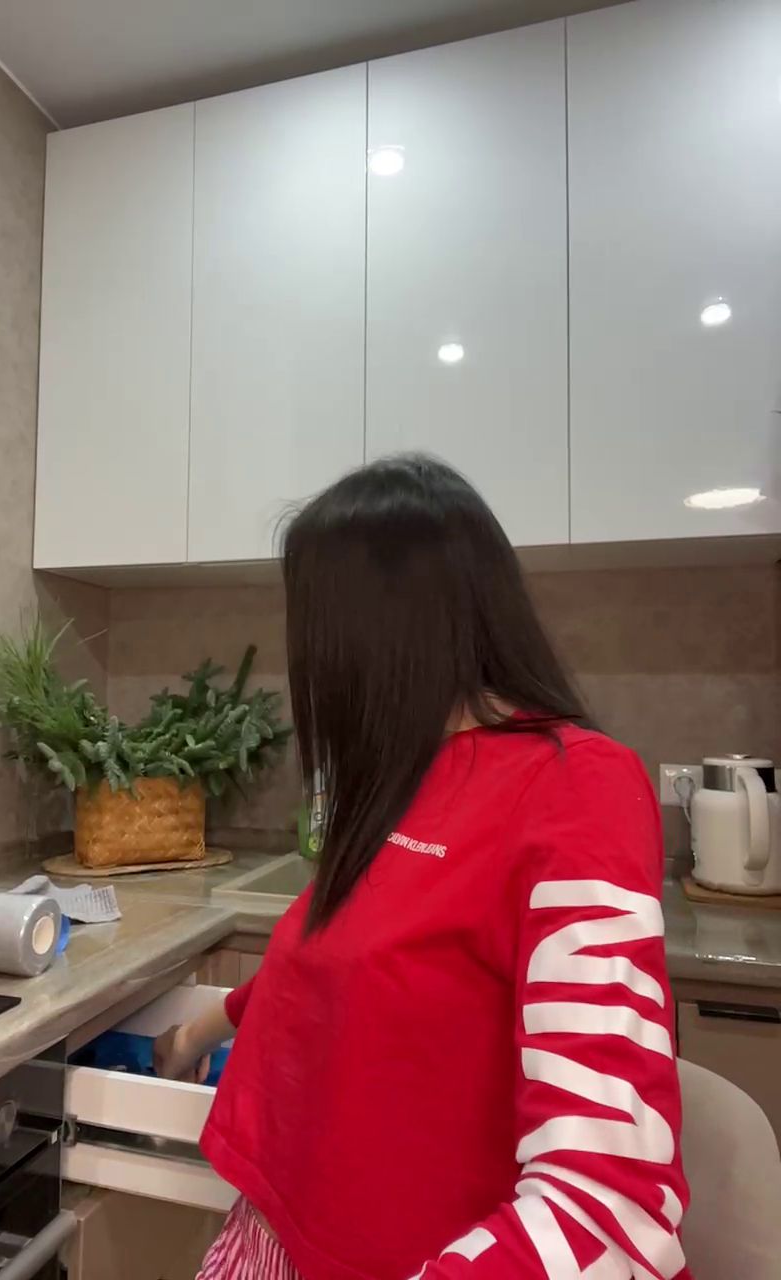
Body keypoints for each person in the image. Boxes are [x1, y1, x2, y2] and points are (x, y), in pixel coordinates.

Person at [156, 455, 691, 1280]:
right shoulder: (405, 775)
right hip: (278, 1227)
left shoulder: (577, 787)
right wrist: (200, 1031)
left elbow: (606, 1208)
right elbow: (340, 959)